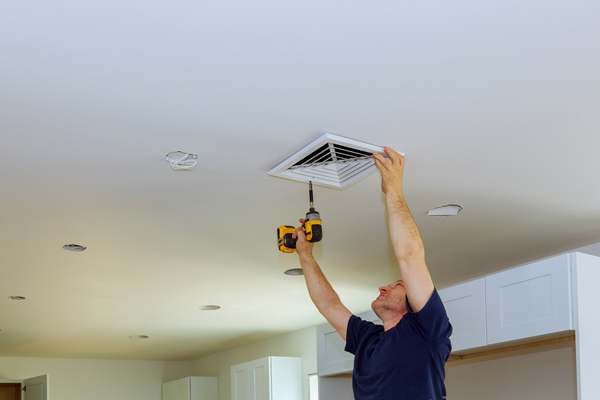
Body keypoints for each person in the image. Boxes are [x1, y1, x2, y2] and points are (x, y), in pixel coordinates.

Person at [293, 147, 452, 400]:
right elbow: (328, 304)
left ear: (414, 301)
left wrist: (394, 192)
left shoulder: (426, 330)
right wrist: (305, 256)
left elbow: (410, 256)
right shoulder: (368, 339)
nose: (383, 287)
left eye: (397, 285)